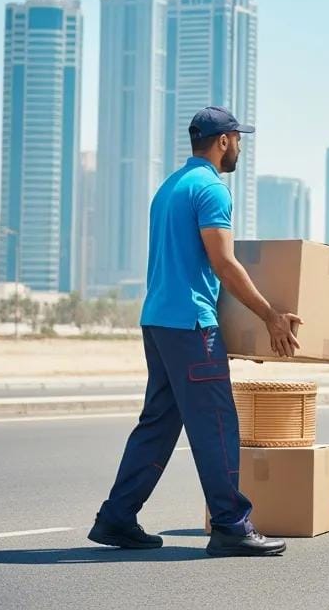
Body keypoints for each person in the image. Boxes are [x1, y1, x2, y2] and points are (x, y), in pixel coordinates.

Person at [88, 107, 302, 558]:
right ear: (223, 141)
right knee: (217, 425)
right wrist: (269, 316)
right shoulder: (211, 189)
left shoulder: (169, 188)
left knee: (159, 425)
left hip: (159, 320)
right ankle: (231, 525)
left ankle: (117, 518)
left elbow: (191, 263)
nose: (241, 147)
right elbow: (223, 263)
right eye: (238, 139)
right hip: (191, 325)